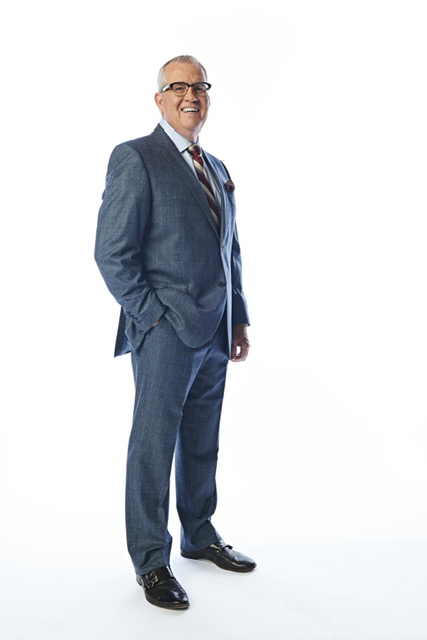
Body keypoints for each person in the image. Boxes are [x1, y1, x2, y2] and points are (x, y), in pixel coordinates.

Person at [95, 54, 255, 610]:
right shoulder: (136, 157)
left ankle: (199, 534)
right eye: (179, 86)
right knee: (153, 445)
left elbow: (229, 250)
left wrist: (239, 317)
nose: (191, 95)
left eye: (200, 86)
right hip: (165, 330)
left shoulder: (216, 165)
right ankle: (151, 560)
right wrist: (153, 317)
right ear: (159, 98)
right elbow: (112, 253)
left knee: (202, 439)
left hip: (216, 330)